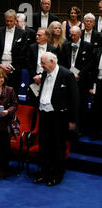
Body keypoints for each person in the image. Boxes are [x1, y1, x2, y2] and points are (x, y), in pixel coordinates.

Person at [34, 52, 79, 186]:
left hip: (59, 117)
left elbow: (75, 99)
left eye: (43, 63)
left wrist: (73, 120)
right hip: (44, 115)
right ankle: (44, 173)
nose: (41, 66)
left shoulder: (66, 75)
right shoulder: (44, 73)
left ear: (52, 62)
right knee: (44, 146)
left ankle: (56, 175)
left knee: (57, 147)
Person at [60, 26, 94, 134]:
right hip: (68, 79)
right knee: (68, 104)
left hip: (82, 80)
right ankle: (67, 128)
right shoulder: (66, 45)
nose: (72, 37)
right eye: (70, 34)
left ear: (80, 35)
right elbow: (63, 62)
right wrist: (69, 73)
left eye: (74, 35)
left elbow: (90, 64)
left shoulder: (88, 46)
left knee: (81, 105)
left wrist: (78, 74)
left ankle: (80, 129)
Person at [0, 9, 27, 94]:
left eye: (11, 21)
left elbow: (22, 53)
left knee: (13, 91)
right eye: (7, 21)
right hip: (0, 66)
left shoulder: (22, 33)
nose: (9, 23)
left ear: (15, 20)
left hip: (14, 67)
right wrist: (0, 65)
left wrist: (12, 66)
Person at [88, 48, 102, 139]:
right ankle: (95, 133)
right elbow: (92, 68)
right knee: (96, 107)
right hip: (98, 82)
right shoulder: (98, 51)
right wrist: (91, 86)